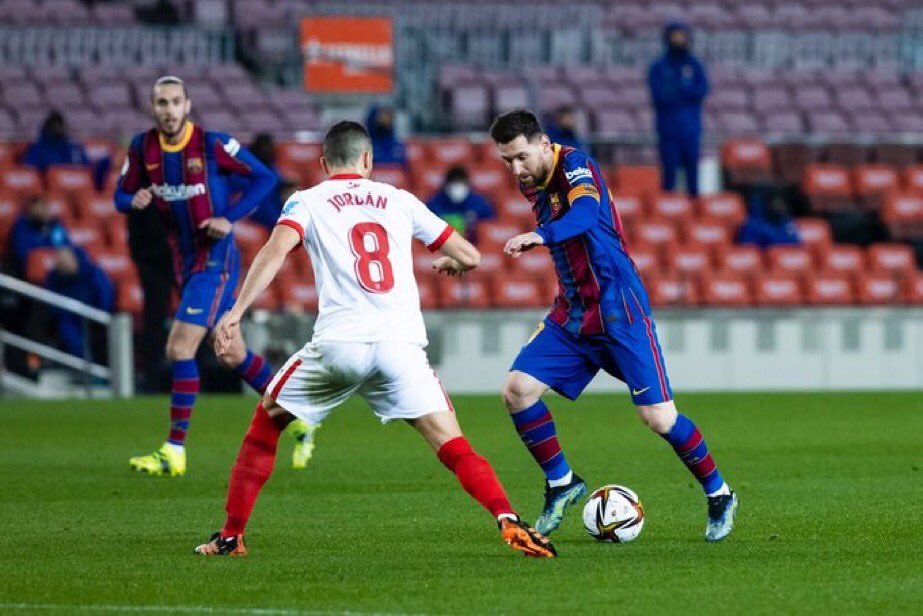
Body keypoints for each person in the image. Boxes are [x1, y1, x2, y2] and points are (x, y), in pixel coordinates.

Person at [194, 121, 555, 559]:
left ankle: (231, 536)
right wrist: (451, 263)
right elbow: (472, 255)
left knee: (267, 422)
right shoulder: (398, 199)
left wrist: (235, 312)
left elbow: (274, 251)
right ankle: (509, 519)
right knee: (453, 443)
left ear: (325, 163)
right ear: (368, 160)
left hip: (340, 343)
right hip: (400, 348)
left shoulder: (306, 200)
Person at [489, 109, 737, 541]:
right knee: (517, 390)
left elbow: (585, 215)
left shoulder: (576, 165)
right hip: (573, 313)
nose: (516, 169)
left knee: (659, 418)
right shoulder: (531, 180)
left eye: (522, 157)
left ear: (544, 143)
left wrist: (540, 236)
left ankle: (719, 493)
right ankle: (563, 483)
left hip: (620, 311)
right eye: (506, 161)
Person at [114, 76, 316, 477]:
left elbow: (265, 179)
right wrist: (131, 200)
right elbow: (121, 193)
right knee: (232, 353)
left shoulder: (212, 144)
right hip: (182, 261)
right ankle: (300, 414)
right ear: (151, 107)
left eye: (175, 102)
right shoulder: (142, 148)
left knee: (179, 348)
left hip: (215, 260)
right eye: (161, 103)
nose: (168, 109)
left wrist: (229, 217)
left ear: (187, 105)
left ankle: (174, 450)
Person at [648, 21, 709, 198]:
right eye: (675, 35)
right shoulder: (659, 67)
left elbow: (702, 90)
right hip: (668, 129)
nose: (679, 39)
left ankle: (694, 208)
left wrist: (678, 89)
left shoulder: (695, 65)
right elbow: (659, 96)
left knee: (692, 169)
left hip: (691, 128)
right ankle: (667, 210)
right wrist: (683, 90)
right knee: (669, 171)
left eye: (682, 35)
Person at [45, 247, 114, 359]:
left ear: (75, 259)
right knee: (65, 325)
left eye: (64, 261)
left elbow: (104, 299)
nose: (61, 265)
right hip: (68, 316)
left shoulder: (94, 274)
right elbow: (50, 300)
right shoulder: (55, 277)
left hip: (94, 317)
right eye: (59, 262)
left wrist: (95, 314)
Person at [6, 194, 71, 279]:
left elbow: (64, 247)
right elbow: (23, 255)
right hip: (31, 274)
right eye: (38, 208)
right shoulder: (22, 227)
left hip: (57, 271)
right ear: (30, 211)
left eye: (45, 207)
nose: (43, 211)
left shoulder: (55, 226)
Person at [425, 166, 495, 239]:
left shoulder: (479, 203)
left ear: (468, 183)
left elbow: (489, 226)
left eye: (461, 182)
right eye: (454, 183)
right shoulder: (434, 203)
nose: (457, 187)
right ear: (446, 184)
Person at [21, 111, 90, 173]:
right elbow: (29, 173)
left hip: (76, 186)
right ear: (48, 127)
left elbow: (87, 170)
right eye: (55, 125)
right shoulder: (37, 150)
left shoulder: (75, 149)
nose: (58, 128)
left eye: (60, 124)